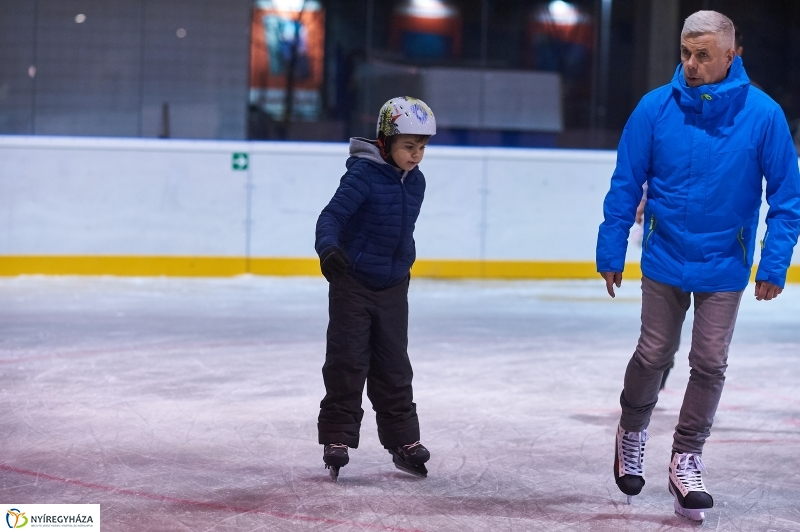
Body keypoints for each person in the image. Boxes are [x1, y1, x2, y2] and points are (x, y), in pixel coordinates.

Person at [597, 10, 800, 523]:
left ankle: (686, 457)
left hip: (725, 262)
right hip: (665, 256)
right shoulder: (654, 108)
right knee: (653, 355)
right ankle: (632, 431)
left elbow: (786, 199)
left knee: (709, 363)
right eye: (685, 53)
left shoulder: (764, 115)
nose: (690, 63)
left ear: (731, 55)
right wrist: (611, 249)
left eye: (702, 55)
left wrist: (774, 262)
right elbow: (625, 184)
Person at [314, 96, 435, 481]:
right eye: (408, 146)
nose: (416, 155)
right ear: (385, 142)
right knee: (348, 360)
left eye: (421, 147)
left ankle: (404, 440)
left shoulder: (416, 182)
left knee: (394, 365)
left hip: (393, 285)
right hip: (353, 282)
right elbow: (331, 216)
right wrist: (328, 248)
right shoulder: (363, 176)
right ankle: (337, 436)